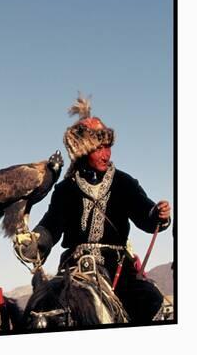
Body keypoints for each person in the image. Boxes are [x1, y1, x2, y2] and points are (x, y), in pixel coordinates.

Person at [18, 94, 171, 324]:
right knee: (42, 310)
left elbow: (145, 215)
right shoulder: (65, 189)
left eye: (108, 146)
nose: (106, 154)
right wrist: (35, 241)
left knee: (151, 302)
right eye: (99, 148)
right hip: (73, 270)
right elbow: (51, 224)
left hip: (118, 271)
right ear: (82, 151)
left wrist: (157, 213)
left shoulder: (123, 182)